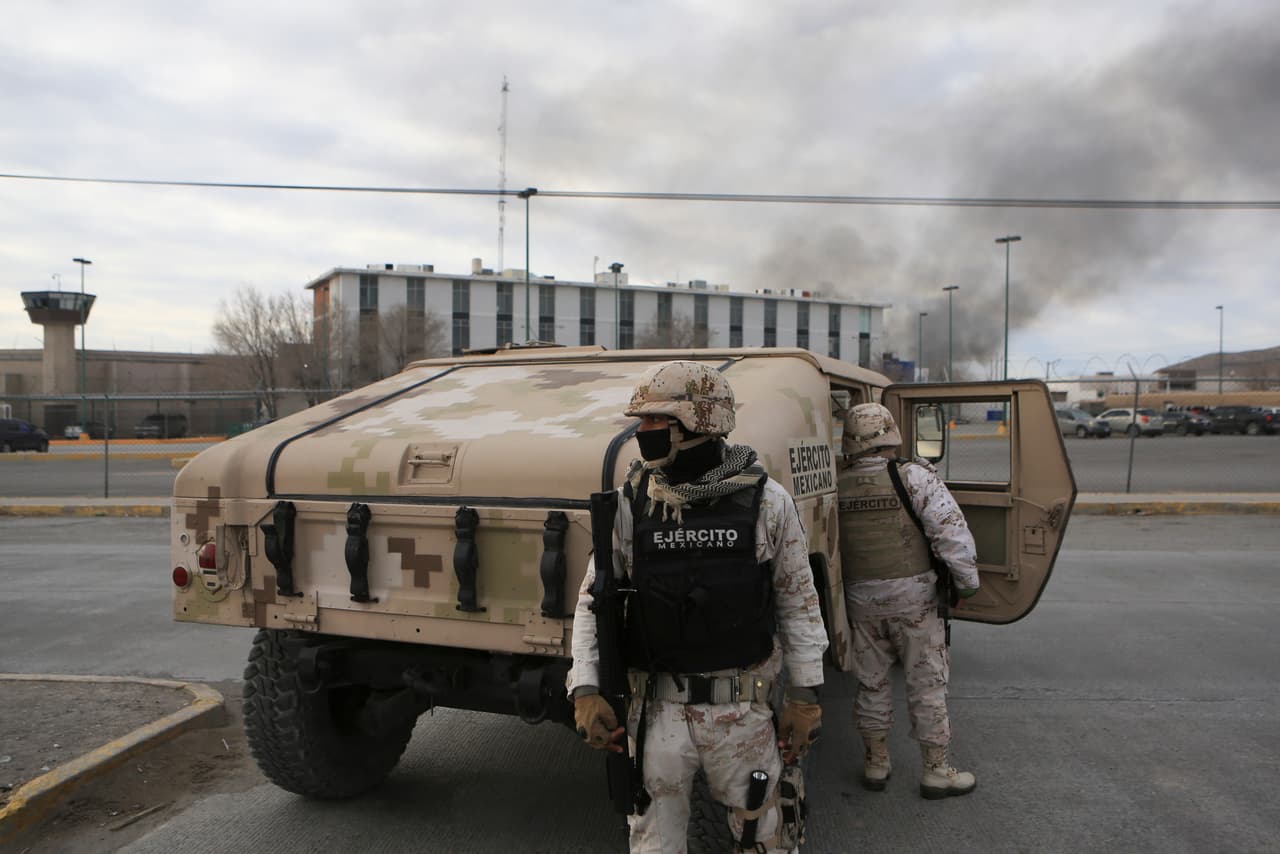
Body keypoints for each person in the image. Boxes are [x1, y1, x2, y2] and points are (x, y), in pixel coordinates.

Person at [568, 360, 828, 853]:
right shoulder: (632, 503)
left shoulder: (768, 503)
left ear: (696, 423)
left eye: (653, 422)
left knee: (762, 839)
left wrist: (805, 697)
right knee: (653, 846)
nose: (640, 432)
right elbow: (593, 601)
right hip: (657, 715)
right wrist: (585, 687)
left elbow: (799, 603)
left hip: (743, 714)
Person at [837, 402, 980, 799]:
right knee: (926, 684)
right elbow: (951, 533)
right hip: (913, 601)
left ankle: (876, 763)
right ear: (890, 434)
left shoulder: (835, 481)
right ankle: (935, 771)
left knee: (870, 684)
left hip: (859, 601)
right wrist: (965, 584)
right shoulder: (913, 476)